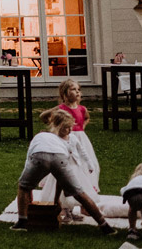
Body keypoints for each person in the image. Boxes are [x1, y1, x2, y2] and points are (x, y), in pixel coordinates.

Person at [13, 110, 114, 234]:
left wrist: (28, 185)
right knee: (79, 193)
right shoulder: (62, 141)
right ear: (58, 126)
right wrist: (56, 200)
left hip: (39, 156)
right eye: (67, 127)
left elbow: (29, 158)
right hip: (60, 157)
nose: (70, 131)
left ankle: (22, 222)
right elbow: (60, 178)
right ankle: (105, 226)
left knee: (23, 187)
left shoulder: (40, 136)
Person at [34, 80, 100, 215]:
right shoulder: (61, 108)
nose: (77, 92)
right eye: (73, 89)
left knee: (84, 167)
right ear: (64, 94)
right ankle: (63, 203)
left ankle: (84, 203)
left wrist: (81, 129)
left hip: (80, 140)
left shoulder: (82, 109)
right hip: (65, 139)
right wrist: (55, 127)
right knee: (66, 168)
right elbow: (43, 116)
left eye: (78, 89)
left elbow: (86, 118)